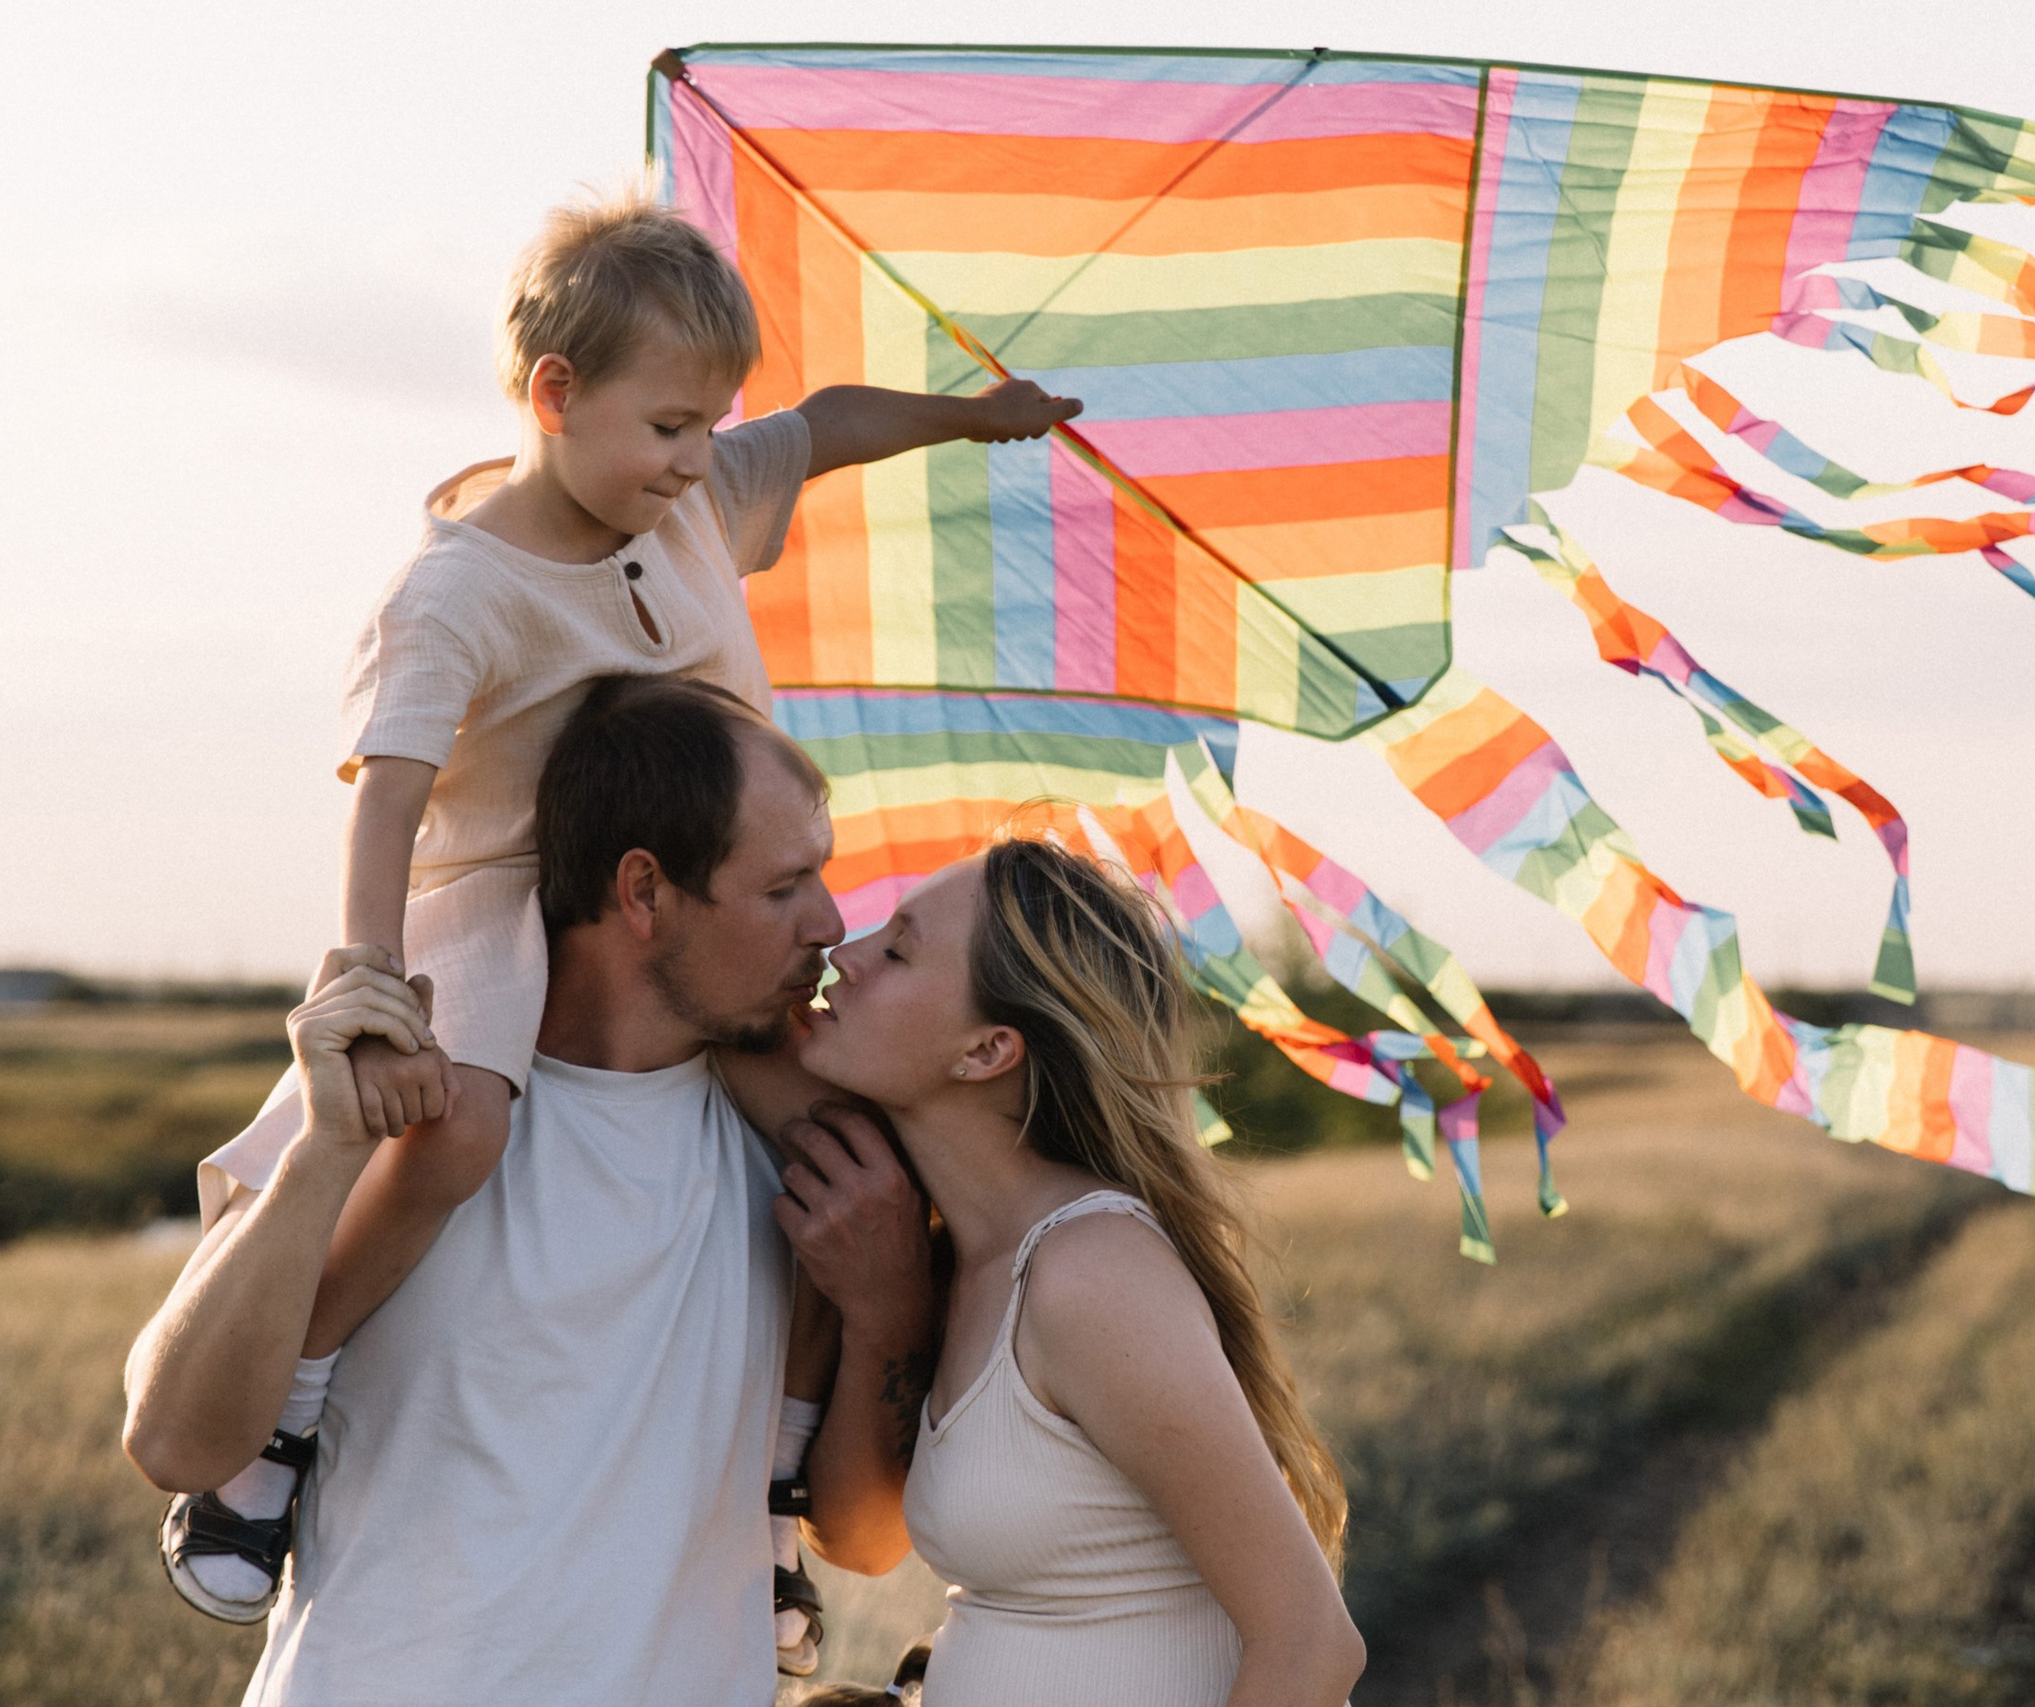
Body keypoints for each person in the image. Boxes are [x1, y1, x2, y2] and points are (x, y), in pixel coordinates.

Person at [159, 186, 1078, 1632]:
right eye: (669, 425)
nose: (699, 455)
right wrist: (369, 978)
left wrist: (971, 417)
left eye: (712, 423)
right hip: (506, 915)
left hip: (706, 924)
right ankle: (287, 1413)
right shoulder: (457, 588)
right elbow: (389, 796)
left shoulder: (695, 498)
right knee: (457, 1125)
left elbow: (827, 423)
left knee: (849, 1163)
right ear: (554, 392)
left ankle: (778, 1485)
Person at [123, 674, 937, 1705]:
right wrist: (326, 1149)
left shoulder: (810, 1153)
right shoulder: (414, 1080)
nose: (828, 921)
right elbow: (171, 1438)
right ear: (643, 892)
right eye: (783, 889)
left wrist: (895, 1303)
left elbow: (864, 1542)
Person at [790, 836, 1367, 1707]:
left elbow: (1313, 1643)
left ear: (986, 1051)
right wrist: (886, 1313)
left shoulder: (1088, 1271)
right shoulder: (966, 1256)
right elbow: (859, 1540)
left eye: (899, 949)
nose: (847, 951)